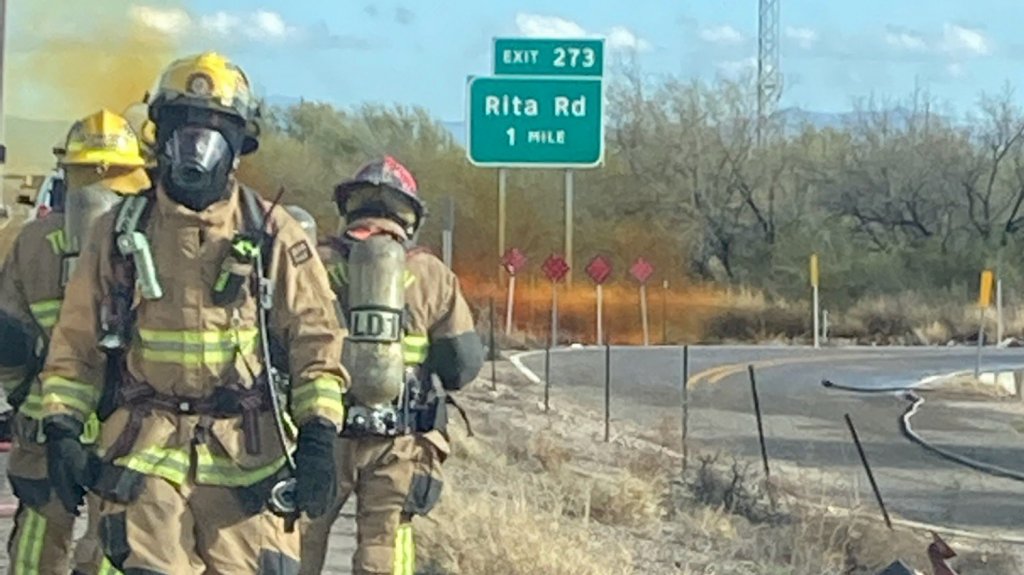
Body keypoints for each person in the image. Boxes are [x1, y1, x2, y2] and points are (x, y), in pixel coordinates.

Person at [38, 51, 348, 574]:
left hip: (248, 460)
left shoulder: (272, 234)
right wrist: (62, 430)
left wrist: (319, 438)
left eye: (214, 132)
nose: (196, 147)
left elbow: (316, 345)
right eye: (183, 128)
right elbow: (75, 347)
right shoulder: (116, 233)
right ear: (160, 137)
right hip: (144, 456)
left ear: (238, 145)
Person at [300, 156, 484, 575]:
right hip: (399, 439)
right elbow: (462, 367)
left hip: (322, 430)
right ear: (411, 216)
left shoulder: (311, 261)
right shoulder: (431, 273)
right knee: (385, 546)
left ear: (350, 207)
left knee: (301, 532)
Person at [2, 109, 151, 574]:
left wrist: (25, 398)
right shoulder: (153, 244)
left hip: (44, 423)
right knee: (112, 542)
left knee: (37, 542)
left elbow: (8, 343)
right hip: (126, 425)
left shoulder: (30, 242)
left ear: (67, 171)